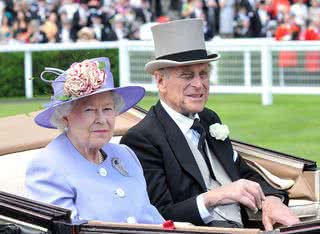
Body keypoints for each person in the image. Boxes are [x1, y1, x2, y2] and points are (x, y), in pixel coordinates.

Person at [120, 19, 300, 230]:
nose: (198, 84)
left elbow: (243, 173)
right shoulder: (142, 139)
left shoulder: (209, 119)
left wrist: (271, 200)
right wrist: (216, 197)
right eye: (187, 75)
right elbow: (159, 215)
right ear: (160, 82)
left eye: (203, 73)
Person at [25, 57, 164, 225]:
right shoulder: (48, 166)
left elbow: (150, 218)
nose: (102, 119)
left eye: (107, 109)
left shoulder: (125, 155)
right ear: (65, 116)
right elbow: (64, 230)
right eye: (89, 110)